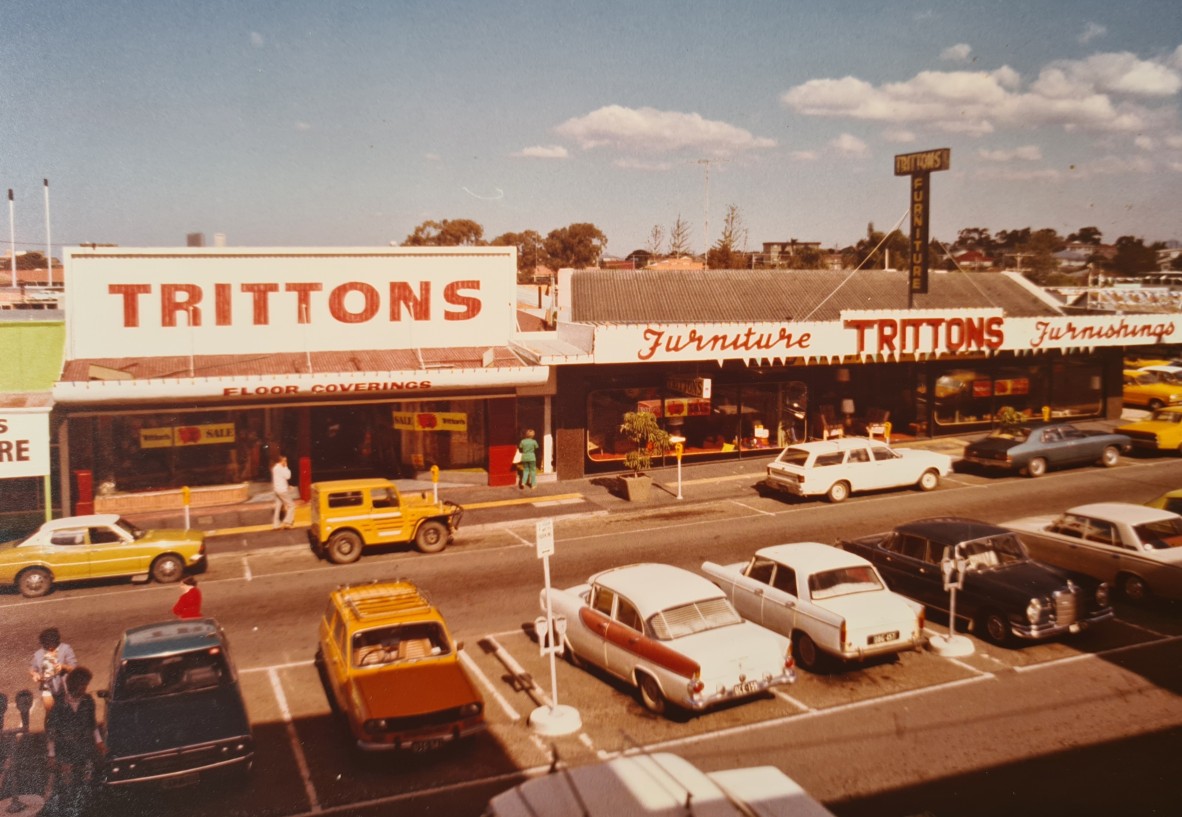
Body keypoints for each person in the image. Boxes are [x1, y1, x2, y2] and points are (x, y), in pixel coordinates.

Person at [46, 667, 104, 792]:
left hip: (84, 747)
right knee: (68, 785)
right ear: (73, 685)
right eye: (82, 685)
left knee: (87, 780)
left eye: (86, 685)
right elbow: (51, 731)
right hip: (66, 751)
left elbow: (92, 723)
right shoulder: (59, 705)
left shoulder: (88, 701)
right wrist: (51, 755)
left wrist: (99, 742)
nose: (85, 688)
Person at [29, 628, 77, 713]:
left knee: (68, 712)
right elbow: (32, 668)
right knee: (50, 713)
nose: (49, 647)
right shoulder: (39, 653)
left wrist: (63, 666)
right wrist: (35, 674)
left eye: (52, 644)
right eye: (46, 645)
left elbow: (74, 668)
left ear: (57, 641)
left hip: (65, 687)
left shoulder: (65, 649)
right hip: (47, 686)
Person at [271, 454, 295, 529]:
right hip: (282, 490)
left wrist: (288, 486)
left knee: (278, 506)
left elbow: (281, 479)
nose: (286, 461)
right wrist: (286, 467)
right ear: (282, 461)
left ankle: (276, 525)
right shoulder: (282, 468)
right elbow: (288, 476)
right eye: (285, 460)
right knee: (292, 505)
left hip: (277, 490)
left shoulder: (275, 468)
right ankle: (287, 522)